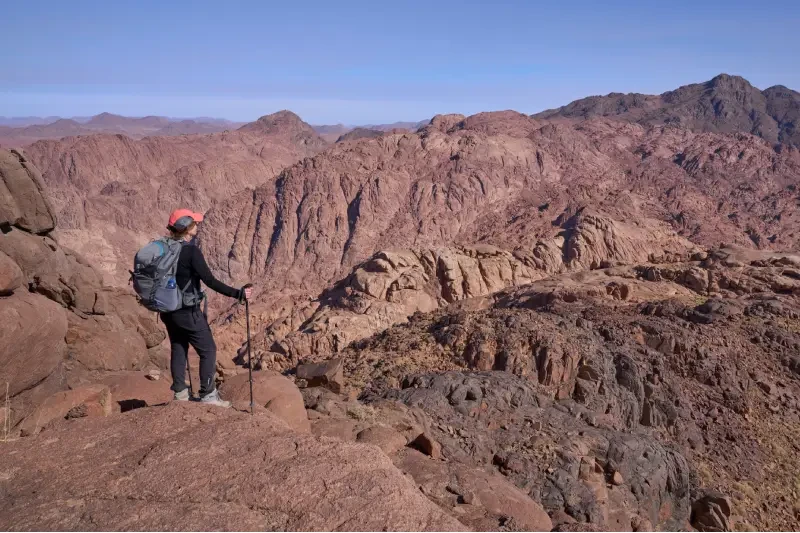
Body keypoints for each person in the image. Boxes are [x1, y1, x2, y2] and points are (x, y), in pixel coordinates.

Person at [161, 208, 253, 407]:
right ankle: (208, 395)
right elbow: (209, 280)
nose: (197, 226)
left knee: (178, 347)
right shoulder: (190, 251)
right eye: (194, 223)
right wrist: (238, 294)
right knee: (208, 349)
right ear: (186, 227)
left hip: (168, 311)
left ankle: (180, 394)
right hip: (187, 310)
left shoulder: (162, 249)